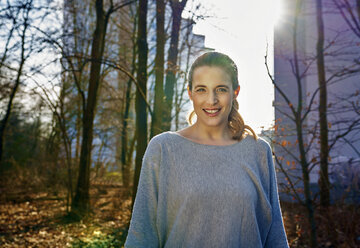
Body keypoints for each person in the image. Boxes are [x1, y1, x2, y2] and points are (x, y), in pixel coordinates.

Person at [125, 52, 289, 247]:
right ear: (190, 93)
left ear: (235, 92)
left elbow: (275, 237)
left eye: (220, 89)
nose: (211, 100)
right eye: (202, 89)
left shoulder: (258, 150)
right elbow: (141, 236)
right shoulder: (163, 149)